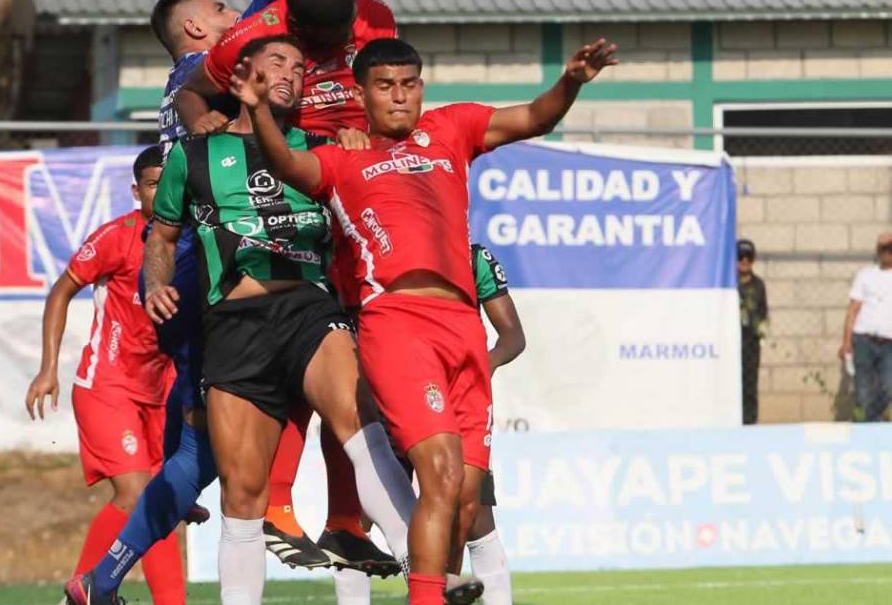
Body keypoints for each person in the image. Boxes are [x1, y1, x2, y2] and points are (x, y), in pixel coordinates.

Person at [239, 35, 616, 605]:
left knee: (467, 497)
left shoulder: (453, 129)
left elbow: (536, 117)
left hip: (464, 325)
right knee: (437, 474)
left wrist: (571, 82)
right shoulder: (343, 158)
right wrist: (260, 108)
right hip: (397, 322)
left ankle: (436, 586)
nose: (399, 97)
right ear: (361, 92)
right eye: (385, 86)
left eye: (409, 84)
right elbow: (285, 162)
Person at [66, 0, 346, 605]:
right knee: (250, 414)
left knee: (201, 454)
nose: (238, 18)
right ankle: (280, 505)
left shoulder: (200, 89)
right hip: (211, 265)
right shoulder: (205, 84)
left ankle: (102, 580)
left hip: (207, 264)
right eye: (221, 10)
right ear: (197, 27)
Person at [143, 36, 417, 605]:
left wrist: (359, 145)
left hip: (310, 310)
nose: (292, 73)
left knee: (363, 429)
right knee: (243, 496)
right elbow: (163, 236)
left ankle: (429, 569)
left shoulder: (325, 149)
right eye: (278, 63)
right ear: (245, 73)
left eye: (299, 66)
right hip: (234, 322)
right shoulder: (192, 156)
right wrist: (155, 281)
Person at [179, 0, 399, 578]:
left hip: (348, 196)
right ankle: (274, 505)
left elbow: (387, 91)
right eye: (311, 45)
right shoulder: (254, 38)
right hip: (282, 203)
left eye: (332, 44)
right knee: (289, 366)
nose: (322, 56)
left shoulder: (375, 20)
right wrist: (199, 114)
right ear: (292, 22)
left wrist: (369, 137)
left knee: (353, 373)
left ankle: (346, 522)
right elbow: (195, 88)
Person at [27, 146, 183, 605]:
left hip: (163, 390)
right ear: (137, 191)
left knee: (159, 502)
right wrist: (48, 368)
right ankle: (113, 592)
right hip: (107, 384)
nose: (163, 190)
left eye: (169, 181)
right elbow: (62, 290)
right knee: (140, 493)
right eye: (153, 184)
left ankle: (87, 592)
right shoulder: (117, 237)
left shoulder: (191, 239)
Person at [447, 244, 524, 605]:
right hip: (403, 388)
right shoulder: (392, 247)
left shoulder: (475, 257)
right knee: (369, 513)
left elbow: (513, 336)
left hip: (464, 399)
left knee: (476, 516)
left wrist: (486, 364)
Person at [839, 232, 892, 422]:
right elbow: (853, 310)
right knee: (862, 392)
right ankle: (864, 429)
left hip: (889, 345)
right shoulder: (865, 275)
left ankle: (869, 421)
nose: (888, 253)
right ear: (878, 251)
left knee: (888, 388)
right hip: (864, 340)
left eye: (891, 249)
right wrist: (846, 342)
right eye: (884, 249)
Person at [736, 239, 767, 425]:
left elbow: (763, 312)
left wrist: (760, 331)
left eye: (749, 257)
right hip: (731, 339)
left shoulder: (758, 285)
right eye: (740, 256)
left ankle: (750, 421)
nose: (745, 261)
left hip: (750, 341)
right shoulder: (727, 283)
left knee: (749, 383)